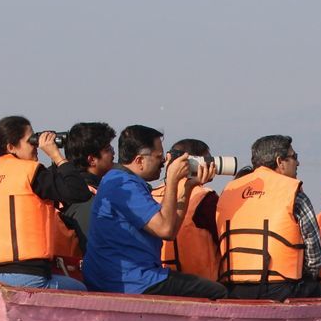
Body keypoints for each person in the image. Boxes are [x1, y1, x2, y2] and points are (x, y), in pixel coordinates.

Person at [82, 124, 227, 299]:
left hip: (132, 277)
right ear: (139, 160)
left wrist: (188, 187)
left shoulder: (123, 182)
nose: (164, 162)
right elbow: (164, 229)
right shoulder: (122, 185)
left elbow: (171, 230)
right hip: (130, 281)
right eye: (159, 156)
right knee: (217, 292)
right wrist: (172, 180)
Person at [0, 116, 91, 290]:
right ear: (11, 147)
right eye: (32, 141)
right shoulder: (30, 173)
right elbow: (79, 192)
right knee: (81, 289)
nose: (36, 147)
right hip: (28, 276)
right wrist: (56, 155)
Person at [216, 134, 321, 301]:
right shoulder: (294, 194)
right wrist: (302, 277)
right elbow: (316, 258)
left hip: (233, 288)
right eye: (294, 157)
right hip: (283, 288)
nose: (298, 162)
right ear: (280, 162)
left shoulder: (228, 191)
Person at [151, 138, 221, 281]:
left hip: (159, 279)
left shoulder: (149, 195)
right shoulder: (205, 198)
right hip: (201, 285)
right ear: (196, 163)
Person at [58, 121, 117, 250]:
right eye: (108, 149)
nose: (113, 153)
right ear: (91, 160)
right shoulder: (88, 199)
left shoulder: (63, 188)